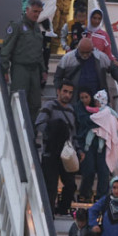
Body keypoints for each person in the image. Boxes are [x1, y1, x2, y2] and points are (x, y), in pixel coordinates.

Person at [35, 81, 83, 215]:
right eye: (65, 91)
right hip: (50, 152)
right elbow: (39, 123)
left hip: (66, 153)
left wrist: (78, 149)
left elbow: (73, 133)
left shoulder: (71, 110)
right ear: (58, 91)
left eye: (70, 92)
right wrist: (53, 132)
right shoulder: (50, 105)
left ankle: (62, 210)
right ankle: (49, 214)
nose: (67, 95)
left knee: (71, 185)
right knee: (51, 186)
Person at [1, 0, 46, 120]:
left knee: (35, 103)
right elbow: (6, 49)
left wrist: (43, 70)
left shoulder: (37, 28)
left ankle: (31, 133)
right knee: (19, 101)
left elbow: (39, 51)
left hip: (35, 70)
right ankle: (16, 129)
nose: (36, 14)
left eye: (39, 12)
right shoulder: (17, 26)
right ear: (27, 10)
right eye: (34, 11)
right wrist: (4, 69)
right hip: (21, 68)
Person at [53, 37, 118, 96]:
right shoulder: (67, 58)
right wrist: (59, 92)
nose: (85, 55)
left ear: (92, 50)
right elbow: (58, 77)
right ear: (78, 49)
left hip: (97, 100)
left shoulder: (101, 58)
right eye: (82, 52)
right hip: (74, 99)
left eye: (88, 52)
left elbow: (114, 68)